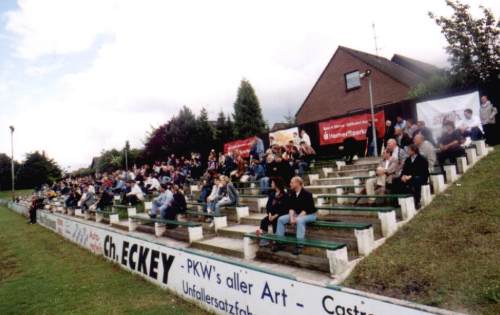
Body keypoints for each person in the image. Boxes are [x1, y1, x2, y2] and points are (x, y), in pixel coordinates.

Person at [274, 176, 317, 255]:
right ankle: (280, 242)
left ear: (297, 183)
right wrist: (291, 217)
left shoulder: (307, 194)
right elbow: (291, 208)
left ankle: (299, 245)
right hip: (297, 214)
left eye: (291, 182)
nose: (290, 184)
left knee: (299, 220)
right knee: (280, 219)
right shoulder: (292, 194)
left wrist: (295, 218)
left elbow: (307, 209)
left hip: (310, 215)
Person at [393, 144, 429, 209]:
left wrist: (411, 176)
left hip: (420, 177)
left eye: (409, 150)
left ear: (413, 151)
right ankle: (398, 202)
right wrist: (403, 176)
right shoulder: (408, 159)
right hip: (408, 177)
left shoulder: (422, 159)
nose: (407, 151)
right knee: (396, 181)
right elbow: (404, 170)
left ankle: (417, 202)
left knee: (416, 181)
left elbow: (422, 171)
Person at [256, 177, 289, 245]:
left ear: (276, 184)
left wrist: (275, 215)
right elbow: (268, 206)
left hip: (280, 215)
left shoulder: (285, 194)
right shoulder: (272, 194)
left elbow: (285, 208)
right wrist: (270, 214)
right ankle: (264, 239)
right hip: (272, 214)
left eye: (272, 183)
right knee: (264, 221)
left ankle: (276, 239)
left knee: (276, 220)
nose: (271, 184)